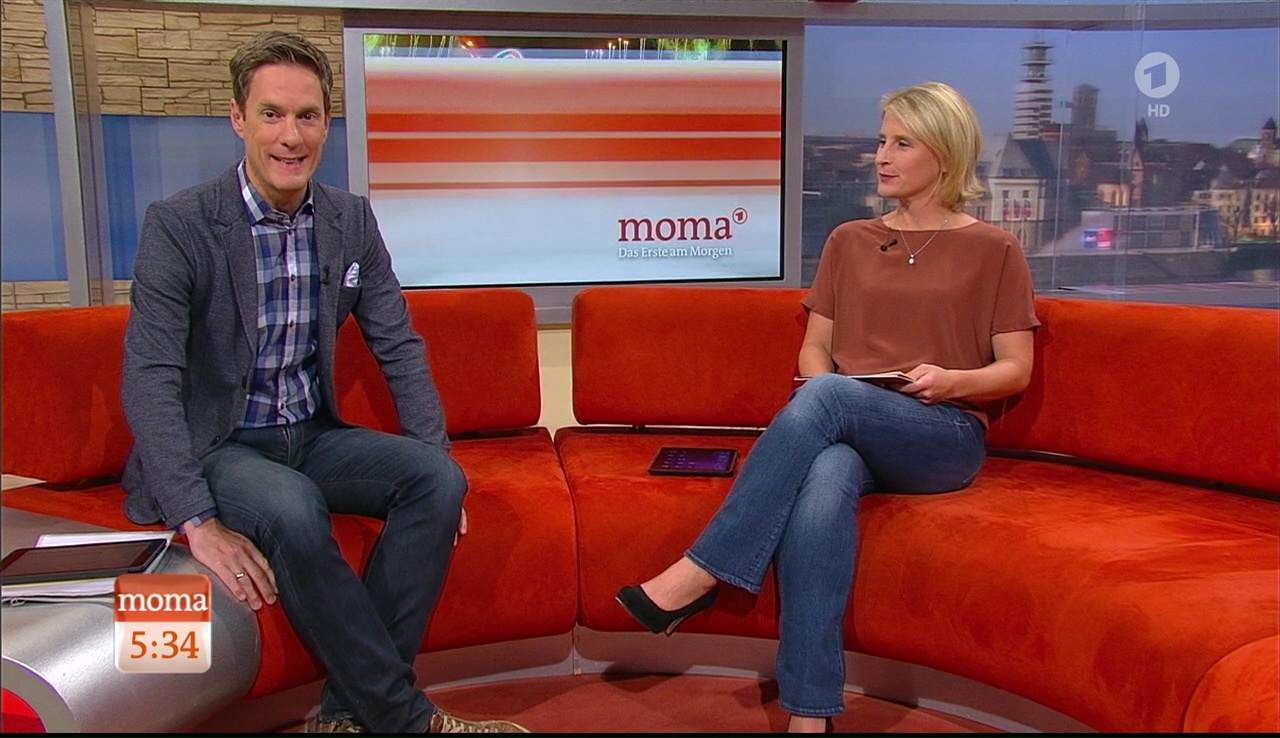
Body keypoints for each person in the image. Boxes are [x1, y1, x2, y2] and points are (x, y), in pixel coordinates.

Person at [120, 30, 528, 734]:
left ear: (326, 123)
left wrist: (436, 453)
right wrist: (197, 519)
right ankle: (406, 721)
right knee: (293, 506)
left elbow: (398, 343)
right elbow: (149, 376)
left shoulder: (348, 219)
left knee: (437, 481)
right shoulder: (180, 225)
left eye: (307, 116)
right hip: (221, 445)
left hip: (310, 434)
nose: (291, 136)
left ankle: (343, 716)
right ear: (238, 119)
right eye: (272, 114)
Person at [616, 81, 1039, 733]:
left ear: (946, 155)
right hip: (849, 424)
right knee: (824, 477)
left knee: (830, 396)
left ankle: (701, 571)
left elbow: (1015, 367)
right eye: (881, 140)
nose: (882, 156)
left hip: (941, 433)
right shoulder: (849, 239)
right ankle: (811, 715)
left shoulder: (994, 248)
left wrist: (950, 381)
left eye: (902, 143)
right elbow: (815, 350)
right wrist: (828, 392)